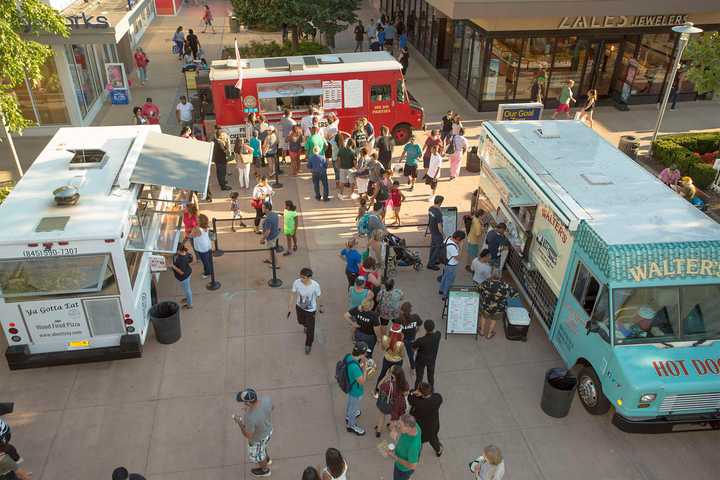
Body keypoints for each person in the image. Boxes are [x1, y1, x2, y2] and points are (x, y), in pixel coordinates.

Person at [234, 388, 273, 477]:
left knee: (258, 456)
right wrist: (252, 410)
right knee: (263, 447)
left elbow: (248, 435)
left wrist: (240, 423)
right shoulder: (266, 400)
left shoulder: (250, 418)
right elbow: (272, 407)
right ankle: (267, 459)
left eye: (244, 401)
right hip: (269, 431)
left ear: (248, 402)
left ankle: (265, 470)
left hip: (258, 439)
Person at [288, 267, 322, 354]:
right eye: (300, 276)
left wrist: (320, 306)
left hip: (311, 311)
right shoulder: (297, 282)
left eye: (303, 277)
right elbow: (292, 294)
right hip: (299, 307)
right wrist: (290, 305)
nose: (301, 279)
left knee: (310, 330)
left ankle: (308, 344)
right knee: (300, 321)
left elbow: (318, 296)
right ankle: (305, 325)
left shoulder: (315, 285)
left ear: (309, 277)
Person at [478, 270, 517, 339]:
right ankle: (489, 334)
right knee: (493, 320)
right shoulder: (505, 285)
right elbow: (515, 295)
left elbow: (478, 289)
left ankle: (481, 332)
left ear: (491, 275)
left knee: (483, 317)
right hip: (498, 308)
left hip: (486, 305)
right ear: (500, 276)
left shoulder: (486, 283)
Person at [408, 382, 443, 456]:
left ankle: (416, 454)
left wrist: (413, 392)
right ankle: (438, 450)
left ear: (421, 394)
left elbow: (410, 397)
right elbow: (435, 396)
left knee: (418, 441)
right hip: (433, 425)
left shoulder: (418, 403)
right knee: (433, 439)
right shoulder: (437, 398)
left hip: (421, 427)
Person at [375, 364, 410, 438]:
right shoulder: (404, 382)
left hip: (387, 403)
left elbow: (379, 386)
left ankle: (378, 431)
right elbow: (406, 392)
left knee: (382, 416)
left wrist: (386, 376)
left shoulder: (388, 384)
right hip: (398, 404)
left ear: (392, 375)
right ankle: (390, 428)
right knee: (394, 419)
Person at [344, 341, 370, 436]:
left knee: (351, 404)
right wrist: (365, 368)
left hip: (350, 387)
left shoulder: (349, 357)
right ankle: (351, 425)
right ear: (362, 354)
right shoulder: (355, 368)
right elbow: (362, 381)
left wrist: (361, 362)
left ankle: (348, 415)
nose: (366, 354)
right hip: (355, 390)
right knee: (353, 407)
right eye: (365, 353)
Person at [387, 414, 422, 480]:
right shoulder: (415, 425)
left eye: (400, 425)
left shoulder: (413, 446)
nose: (398, 426)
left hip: (403, 469)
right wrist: (394, 429)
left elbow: (412, 466)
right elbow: (397, 423)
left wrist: (395, 457)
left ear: (408, 427)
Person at [375, 322, 406, 396]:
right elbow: (402, 355)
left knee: (382, 374)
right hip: (397, 361)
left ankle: (376, 391)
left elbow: (382, 348)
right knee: (395, 376)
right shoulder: (400, 344)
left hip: (387, 359)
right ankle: (391, 392)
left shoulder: (385, 338)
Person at [412, 319, 441, 389]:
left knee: (419, 377)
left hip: (420, 361)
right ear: (433, 327)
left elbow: (413, 349)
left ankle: (417, 391)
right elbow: (437, 332)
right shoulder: (438, 335)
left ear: (425, 328)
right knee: (431, 377)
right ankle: (431, 390)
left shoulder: (420, 340)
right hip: (432, 360)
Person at [439, 230, 465, 300]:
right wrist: (461, 247)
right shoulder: (452, 247)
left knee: (445, 276)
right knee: (449, 280)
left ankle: (441, 289)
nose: (462, 241)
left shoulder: (448, 238)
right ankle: (445, 294)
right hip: (451, 265)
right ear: (458, 238)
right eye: (462, 240)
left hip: (446, 262)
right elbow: (458, 258)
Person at [190, 214, 213, 279]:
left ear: (200, 221)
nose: (196, 219)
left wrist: (192, 229)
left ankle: (207, 272)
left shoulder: (197, 229)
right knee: (208, 259)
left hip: (202, 248)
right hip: (208, 245)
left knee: (205, 261)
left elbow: (191, 236)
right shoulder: (207, 226)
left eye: (197, 218)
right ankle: (210, 269)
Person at [172, 243, 193, 309]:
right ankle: (187, 298)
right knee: (186, 289)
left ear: (178, 250)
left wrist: (173, 266)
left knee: (187, 290)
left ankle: (189, 304)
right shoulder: (184, 252)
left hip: (184, 277)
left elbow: (181, 273)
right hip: (188, 273)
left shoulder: (182, 260)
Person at [426, 195, 445, 270]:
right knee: (437, 248)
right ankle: (431, 264)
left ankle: (433, 260)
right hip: (437, 233)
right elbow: (439, 225)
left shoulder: (431, 208)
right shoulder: (438, 212)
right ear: (440, 202)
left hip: (432, 230)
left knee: (433, 247)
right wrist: (443, 234)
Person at [260, 202, 280, 266]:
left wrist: (262, 239)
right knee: (270, 248)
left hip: (271, 237)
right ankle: (270, 259)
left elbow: (267, 231)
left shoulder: (268, 219)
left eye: (263, 207)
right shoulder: (274, 214)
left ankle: (276, 264)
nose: (262, 208)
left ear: (267, 209)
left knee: (272, 250)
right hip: (275, 234)